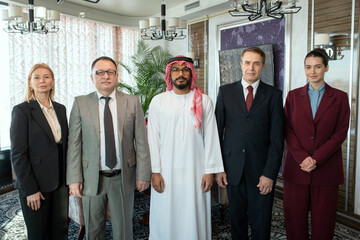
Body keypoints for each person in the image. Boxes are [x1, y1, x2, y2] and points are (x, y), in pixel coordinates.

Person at [66, 56, 151, 240]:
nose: (106, 76)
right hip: (91, 179)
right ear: (92, 77)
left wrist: (143, 174)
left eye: (110, 72)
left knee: (123, 230)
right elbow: (74, 144)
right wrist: (74, 179)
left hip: (123, 177)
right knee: (94, 230)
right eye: (100, 72)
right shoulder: (80, 103)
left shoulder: (132, 102)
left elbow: (142, 142)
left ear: (116, 76)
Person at [147, 55, 225, 240]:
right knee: (165, 215)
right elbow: (152, 139)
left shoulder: (204, 101)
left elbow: (212, 137)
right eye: (176, 69)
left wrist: (210, 171)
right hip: (166, 171)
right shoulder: (158, 101)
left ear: (191, 73)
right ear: (169, 74)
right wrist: (155, 171)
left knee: (194, 215)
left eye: (185, 69)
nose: (180, 73)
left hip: (196, 171)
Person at [215, 47, 284, 240]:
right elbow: (216, 134)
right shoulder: (225, 92)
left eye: (256, 63)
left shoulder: (273, 95)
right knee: (236, 221)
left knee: (261, 221)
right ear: (241, 64)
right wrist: (218, 168)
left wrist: (269, 174)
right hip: (232, 170)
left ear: (263, 66)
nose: (251, 67)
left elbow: (277, 140)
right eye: (247, 62)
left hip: (261, 172)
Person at [282, 48, 350, 240]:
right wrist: (303, 158)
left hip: (327, 170)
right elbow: (287, 130)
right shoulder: (293, 97)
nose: (312, 71)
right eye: (308, 67)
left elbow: (340, 133)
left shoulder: (340, 98)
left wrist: (316, 159)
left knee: (324, 224)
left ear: (326, 68)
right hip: (296, 168)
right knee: (294, 221)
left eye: (317, 66)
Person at [10, 63, 68, 240]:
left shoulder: (60, 108)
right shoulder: (22, 110)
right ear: (30, 83)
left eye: (46, 77)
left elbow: (64, 146)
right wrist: (31, 190)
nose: (42, 80)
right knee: (38, 234)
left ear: (52, 82)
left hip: (60, 183)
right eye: (37, 77)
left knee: (60, 232)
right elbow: (18, 155)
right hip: (36, 185)